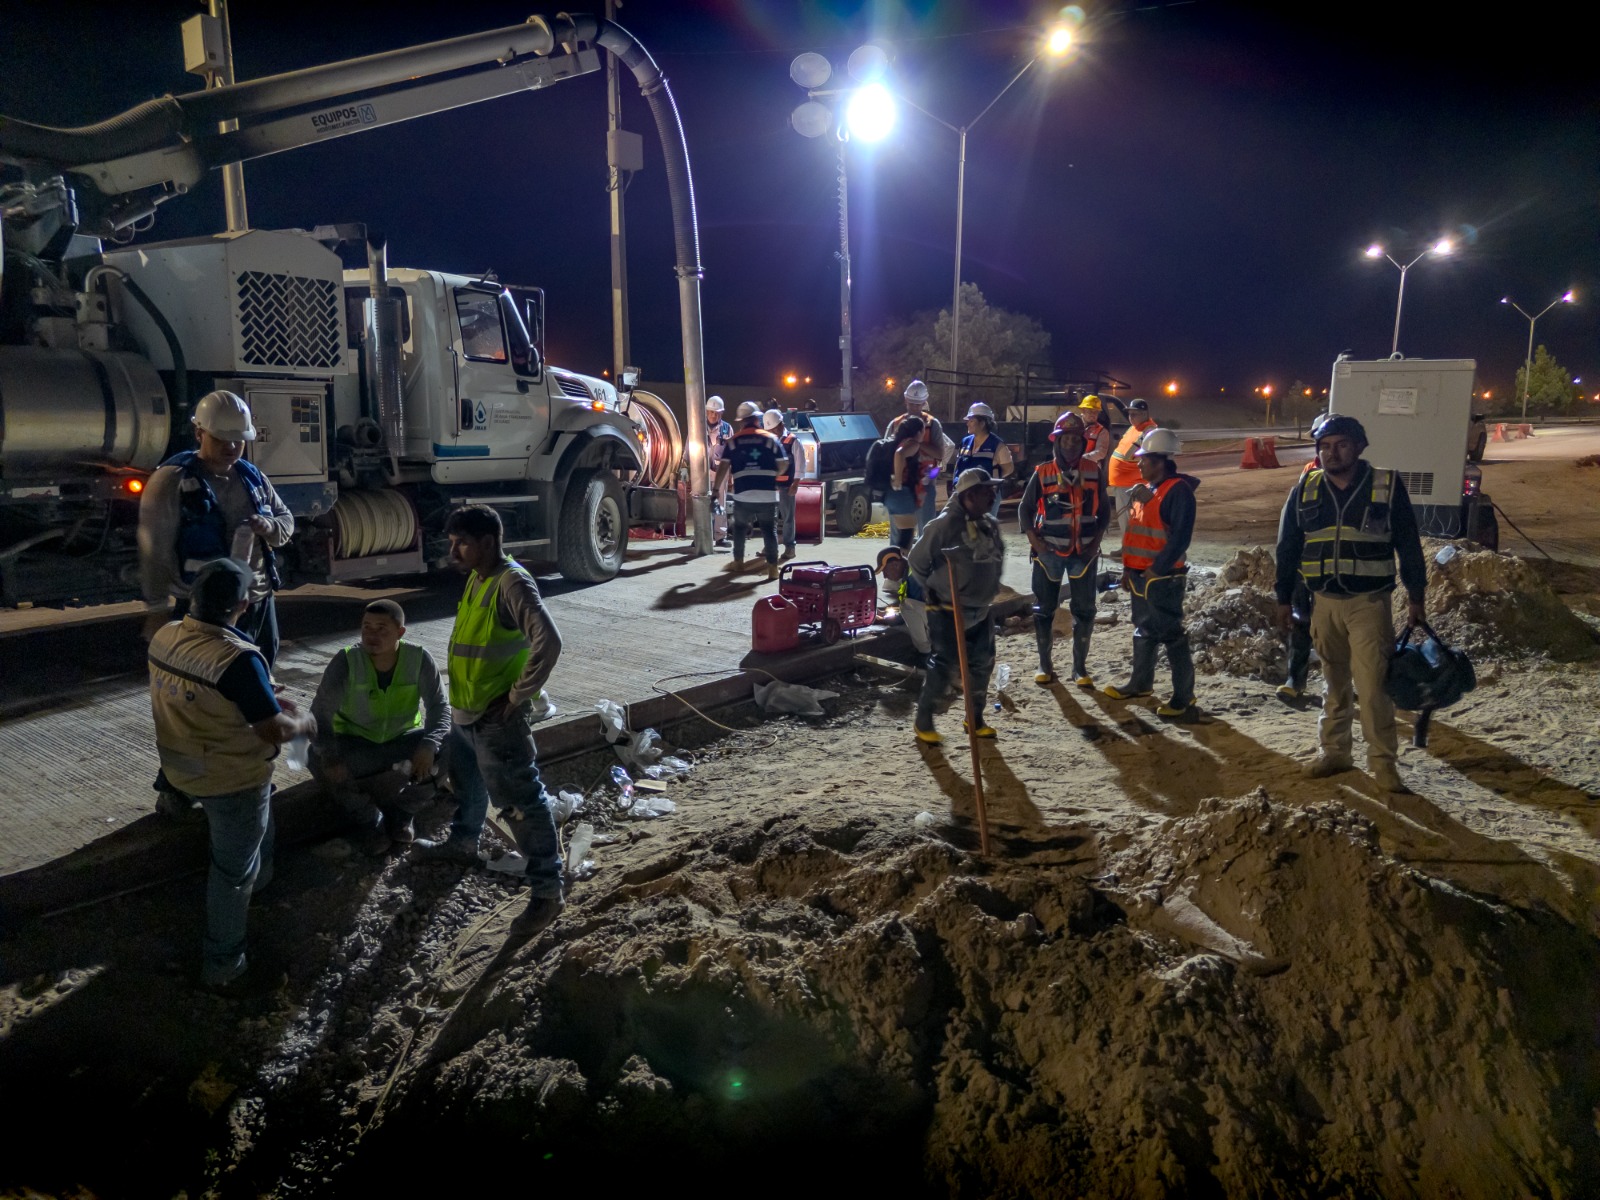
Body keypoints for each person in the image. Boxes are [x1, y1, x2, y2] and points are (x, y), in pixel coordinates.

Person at [147, 558, 316, 992]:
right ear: (243, 604)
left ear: (192, 595)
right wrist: (303, 725)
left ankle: (259, 882)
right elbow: (273, 729)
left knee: (255, 840)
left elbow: (206, 692)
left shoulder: (165, 635)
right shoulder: (237, 658)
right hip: (229, 781)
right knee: (231, 874)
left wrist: (256, 693)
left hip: (179, 767)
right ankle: (224, 963)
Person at [139, 389, 294, 818]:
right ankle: (175, 786)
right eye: (221, 439)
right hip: (203, 611)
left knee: (256, 692)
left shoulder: (252, 476)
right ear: (199, 432)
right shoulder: (170, 481)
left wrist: (270, 528)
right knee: (197, 699)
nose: (230, 448)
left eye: (238, 440)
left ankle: (244, 774)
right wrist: (155, 607)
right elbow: (154, 549)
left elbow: (287, 523)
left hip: (257, 604)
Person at [416, 505, 565, 925]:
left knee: (521, 803)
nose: (454, 550)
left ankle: (547, 891)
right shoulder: (478, 579)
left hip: (496, 722)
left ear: (487, 542)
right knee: (468, 786)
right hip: (467, 714)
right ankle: (463, 842)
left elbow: (548, 642)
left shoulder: (512, 583)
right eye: (451, 542)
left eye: (462, 542)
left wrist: (517, 698)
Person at [1274, 413, 1426, 794]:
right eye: (1324, 446)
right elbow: (1288, 547)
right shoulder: (1305, 489)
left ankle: (1383, 765)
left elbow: (1408, 543)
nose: (1331, 453)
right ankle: (1336, 752)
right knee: (1334, 682)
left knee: (1373, 687)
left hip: (1368, 604)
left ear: (1359, 447)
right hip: (1323, 603)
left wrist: (1416, 594)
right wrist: (1282, 598)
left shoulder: (1385, 486)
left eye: (1341, 444)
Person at [309, 599, 451, 855]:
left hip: (402, 739)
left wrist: (429, 744)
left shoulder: (419, 658)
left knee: (455, 742)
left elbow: (440, 708)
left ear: (400, 633)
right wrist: (330, 755)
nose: (371, 635)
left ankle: (403, 812)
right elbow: (318, 715)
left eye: (381, 628)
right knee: (313, 756)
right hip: (356, 744)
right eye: (366, 627)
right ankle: (368, 819)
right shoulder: (346, 661)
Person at [1102, 428, 1198, 717]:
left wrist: (1155, 571)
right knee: (1144, 631)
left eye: (1143, 459)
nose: (1139, 464)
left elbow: (1180, 538)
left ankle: (1184, 698)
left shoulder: (1177, 492)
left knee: (1172, 636)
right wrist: (1130, 571)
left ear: (1160, 461)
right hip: (1144, 577)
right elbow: (1140, 538)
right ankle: (1140, 683)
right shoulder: (1151, 492)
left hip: (1163, 579)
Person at [908, 468, 1005, 745]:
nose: (992, 495)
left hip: (982, 607)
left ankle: (974, 718)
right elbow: (917, 562)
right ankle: (924, 719)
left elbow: (998, 556)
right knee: (945, 664)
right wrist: (936, 590)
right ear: (969, 494)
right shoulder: (942, 527)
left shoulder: (990, 524)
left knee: (982, 665)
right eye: (987, 491)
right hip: (948, 608)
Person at [1020, 412, 1107, 687]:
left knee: (1085, 610)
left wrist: (1095, 543)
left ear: (1082, 443)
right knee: (1044, 610)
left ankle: (1079, 669)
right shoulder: (1043, 472)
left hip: (1084, 554)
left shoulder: (1093, 471)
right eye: (1065, 438)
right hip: (1049, 555)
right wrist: (1035, 541)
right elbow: (1025, 509)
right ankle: (1044, 666)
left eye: (1075, 439)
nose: (1070, 444)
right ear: (1056, 442)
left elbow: (1104, 511)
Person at [715, 402, 787, 580]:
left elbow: (723, 468)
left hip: (743, 494)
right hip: (767, 495)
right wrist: (772, 476)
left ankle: (738, 563)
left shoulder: (733, 441)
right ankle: (772, 568)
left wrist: (716, 489)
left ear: (741, 422)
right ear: (757, 419)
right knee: (769, 531)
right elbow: (784, 464)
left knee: (739, 529)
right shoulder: (771, 439)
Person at [1278, 451, 1321, 701]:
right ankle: (1296, 679)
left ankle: (1344, 683)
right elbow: (1289, 536)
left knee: (1343, 634)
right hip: (1308, 571)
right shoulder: (1308, 478)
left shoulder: (1358, 482)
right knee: (1302, 624)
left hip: (1344, 579)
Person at [885, 379, 952, 534]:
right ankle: (899, 557)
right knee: (898, 533)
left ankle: (922, 557)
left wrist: (918, 444)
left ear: (924, 403)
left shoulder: (932, 424)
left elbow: (940, 454)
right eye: (911, 403)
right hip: (901, 485)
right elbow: (887, 454)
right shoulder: (895, 424)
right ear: (905, 400)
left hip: (926, 484)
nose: (914, 407)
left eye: (918, 404)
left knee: (926, 531)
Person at [1106, 398, 1157, 538]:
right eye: (1129, 414)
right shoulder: (1134, 428)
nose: (1131, 417)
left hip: (1131, 484)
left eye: (1135, 414)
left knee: (1130, 518)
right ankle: (1126, 546)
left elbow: (1147, 458)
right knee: (1124, 518)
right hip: (1123, 483)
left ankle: (1130, 548)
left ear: (1145, 414)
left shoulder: (1149, 431)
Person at [954, 402, 1014, 517]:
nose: (967, 424)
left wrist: (990, 481)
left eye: (971, 421)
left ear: (982, 423)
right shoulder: (965, 442)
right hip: (965, 494)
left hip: (986, 495)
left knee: (984, 526)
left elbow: (1008, 468)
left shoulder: (997, 445)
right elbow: (959, 466)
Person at [876, 545, 931, 663]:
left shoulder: (913, 579)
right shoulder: (913, 570)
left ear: (896, 565)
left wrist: (885, 619)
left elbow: (910, 609)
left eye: (885, 571)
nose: (885, 576)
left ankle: (924, 653)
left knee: (906, 607)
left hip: (946, 616)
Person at [884, 415, 929, 551]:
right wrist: (898, 481)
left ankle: (894, 569)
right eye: (924, 430)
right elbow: (900, 454)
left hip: (893, 495)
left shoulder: (898, 441)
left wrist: (934, 472)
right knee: (905, 542)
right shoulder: (912, 443)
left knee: (898, 538)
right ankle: (898, 570)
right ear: (919, 432)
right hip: (902, 495)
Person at [764, 408, 801, 562]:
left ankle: (789, 548)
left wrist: (796, 483)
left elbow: (800, 463)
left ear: (780, 425)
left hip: (787, 486)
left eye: (773, 429)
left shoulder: (793, 440)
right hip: (772, 487)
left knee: (787, 518)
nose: (772, 432)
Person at [705, 395, 734, 548]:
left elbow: (732, 452)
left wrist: (731, 478)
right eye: (711, 412)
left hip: (720, 473)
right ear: (706, 412)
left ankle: (720, 536)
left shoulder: (727, 429)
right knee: (702, 503)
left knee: (720, 503)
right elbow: (689, 449)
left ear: (721, 413)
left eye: (716, 412)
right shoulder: (698, 427)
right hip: (701, 472)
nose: (713, 415)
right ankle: (702, 534)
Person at [1076, 394, 1113, 466]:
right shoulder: (1074, 426)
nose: (1093, 414)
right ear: (1083, 411)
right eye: (1089, 411)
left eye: (1095, 412)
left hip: (1091, 467)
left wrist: (1081, 458)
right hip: (1073, 465)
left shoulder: (1102, 431)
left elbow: (1101, 452)